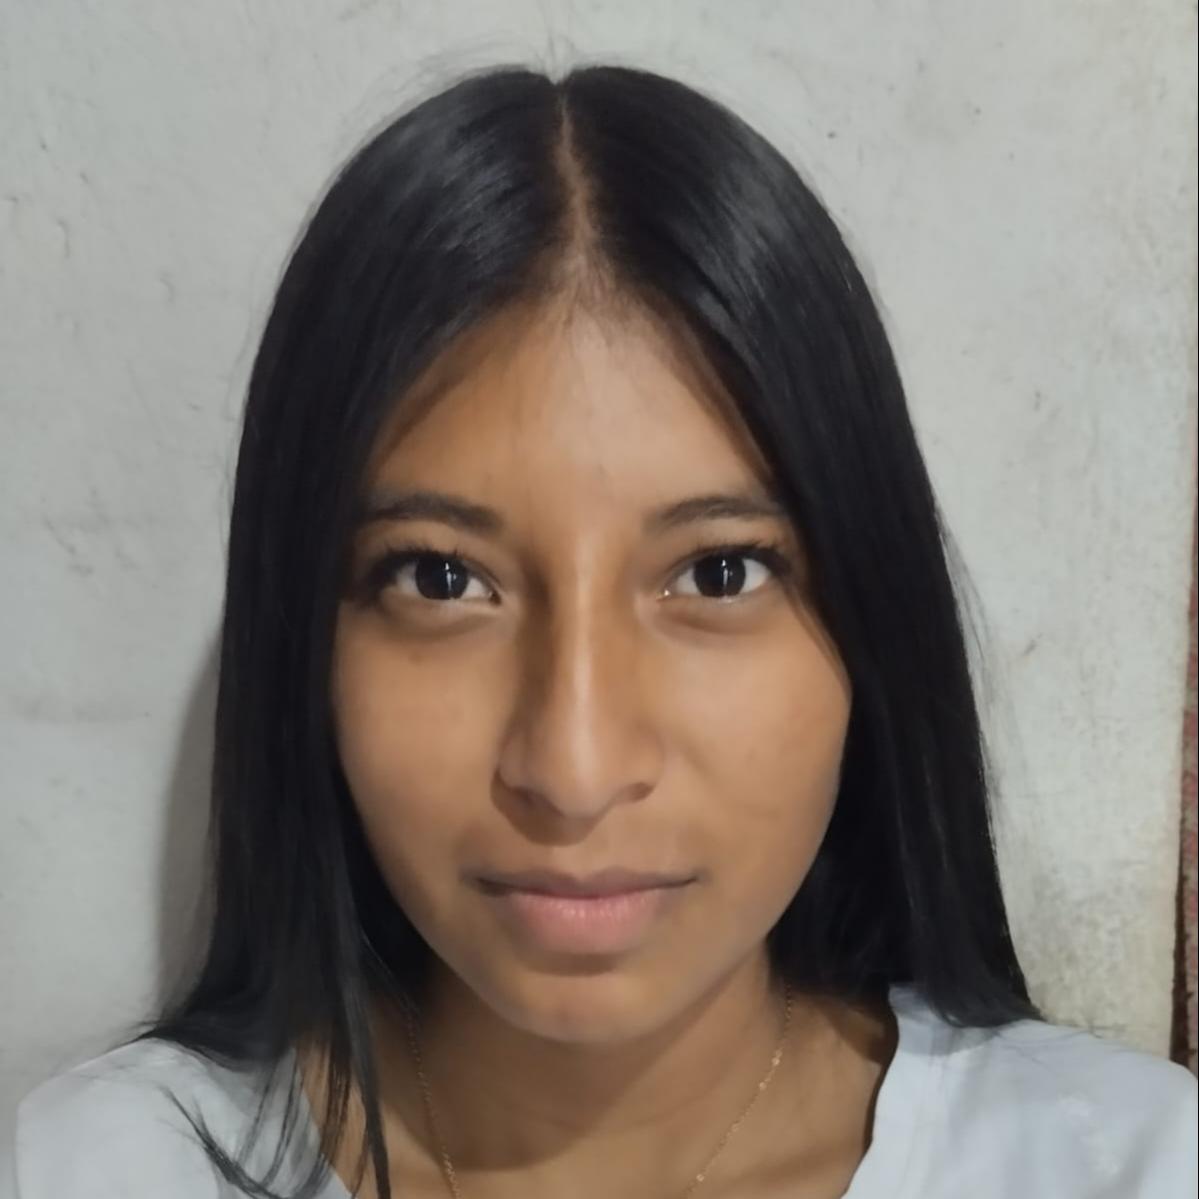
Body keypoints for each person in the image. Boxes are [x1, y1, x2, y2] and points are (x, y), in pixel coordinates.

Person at [8, 63, 1196, 1199]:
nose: (572, 769)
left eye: (717, 572)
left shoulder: (1124, 1164)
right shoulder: (99, 1168)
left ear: (872, 619)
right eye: (440, 577)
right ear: (304, 647)